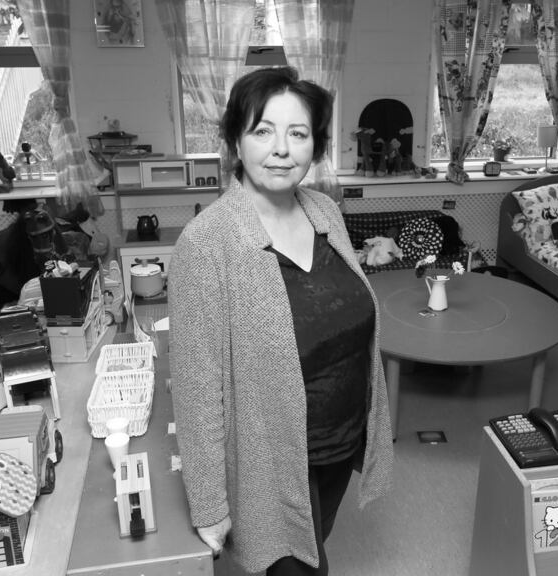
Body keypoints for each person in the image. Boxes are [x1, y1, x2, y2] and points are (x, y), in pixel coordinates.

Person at [168, 66, 394, 575]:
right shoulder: (207, 244)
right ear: (234, 140)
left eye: (298, 133)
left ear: (316, 145)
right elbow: (196, 385)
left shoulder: (324, 213)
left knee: (313, 543)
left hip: (340, 441)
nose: (282, 149)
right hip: (270, 459)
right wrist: (207, 502)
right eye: (262, 130)